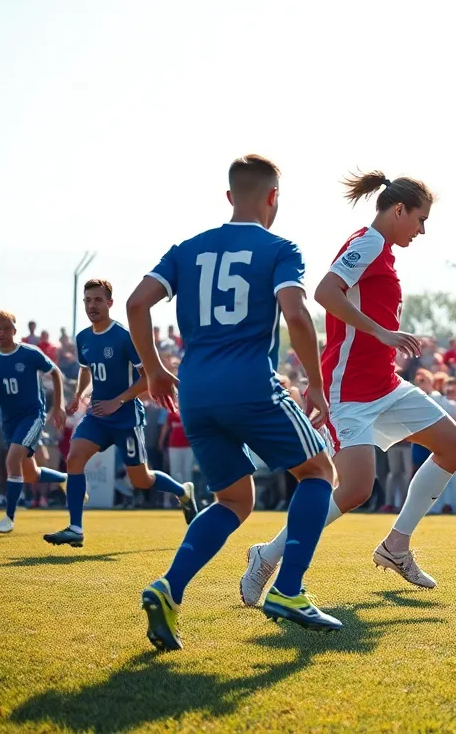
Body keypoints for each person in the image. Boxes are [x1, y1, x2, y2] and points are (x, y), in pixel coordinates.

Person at [128, 154, 340, 648]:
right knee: (318, 472)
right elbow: (299, 318)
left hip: (196, 392)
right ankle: (288, 590)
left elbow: (136, 304)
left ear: (229, 197)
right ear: (273, 198)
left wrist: (155, 369)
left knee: (233, 499)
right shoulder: (280, 248)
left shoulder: (187, 249)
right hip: (250, 384)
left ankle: (169, 588)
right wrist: (315, 383)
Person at [240, 170, 456, 608]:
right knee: (355, 490)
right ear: (398, 210)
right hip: (350, 391)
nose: (422, 230)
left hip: (385, 384)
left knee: (454, 446)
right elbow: (326, 293)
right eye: (420, 219)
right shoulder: (367, 241)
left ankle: (396, 546)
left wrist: (382, 337)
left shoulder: (382, 249)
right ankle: (266, 556)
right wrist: (383, 333)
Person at [44, 280, 198, 548]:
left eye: (98, 300)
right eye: (88, 300)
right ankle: (76, 528)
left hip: (126, 416)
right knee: (74, 459)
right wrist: (79, 395)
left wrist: (118, 401)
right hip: (97, 415)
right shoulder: (83, 337)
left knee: (141, 479)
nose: (92, 305)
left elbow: (146, 377)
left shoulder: (125, 336)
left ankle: (183, 492)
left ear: (110, 303)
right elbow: (85, 369)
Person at [0, 311, 68, 533]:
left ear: (15, 331)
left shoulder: (30, 353)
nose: (2, 333)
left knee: (12, 459)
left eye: (7, 329)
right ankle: (66, 479)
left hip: (33, 416)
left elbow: (55, 373)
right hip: (9, 421)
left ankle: (9, 517)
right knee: (31, 473)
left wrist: (59, 405)